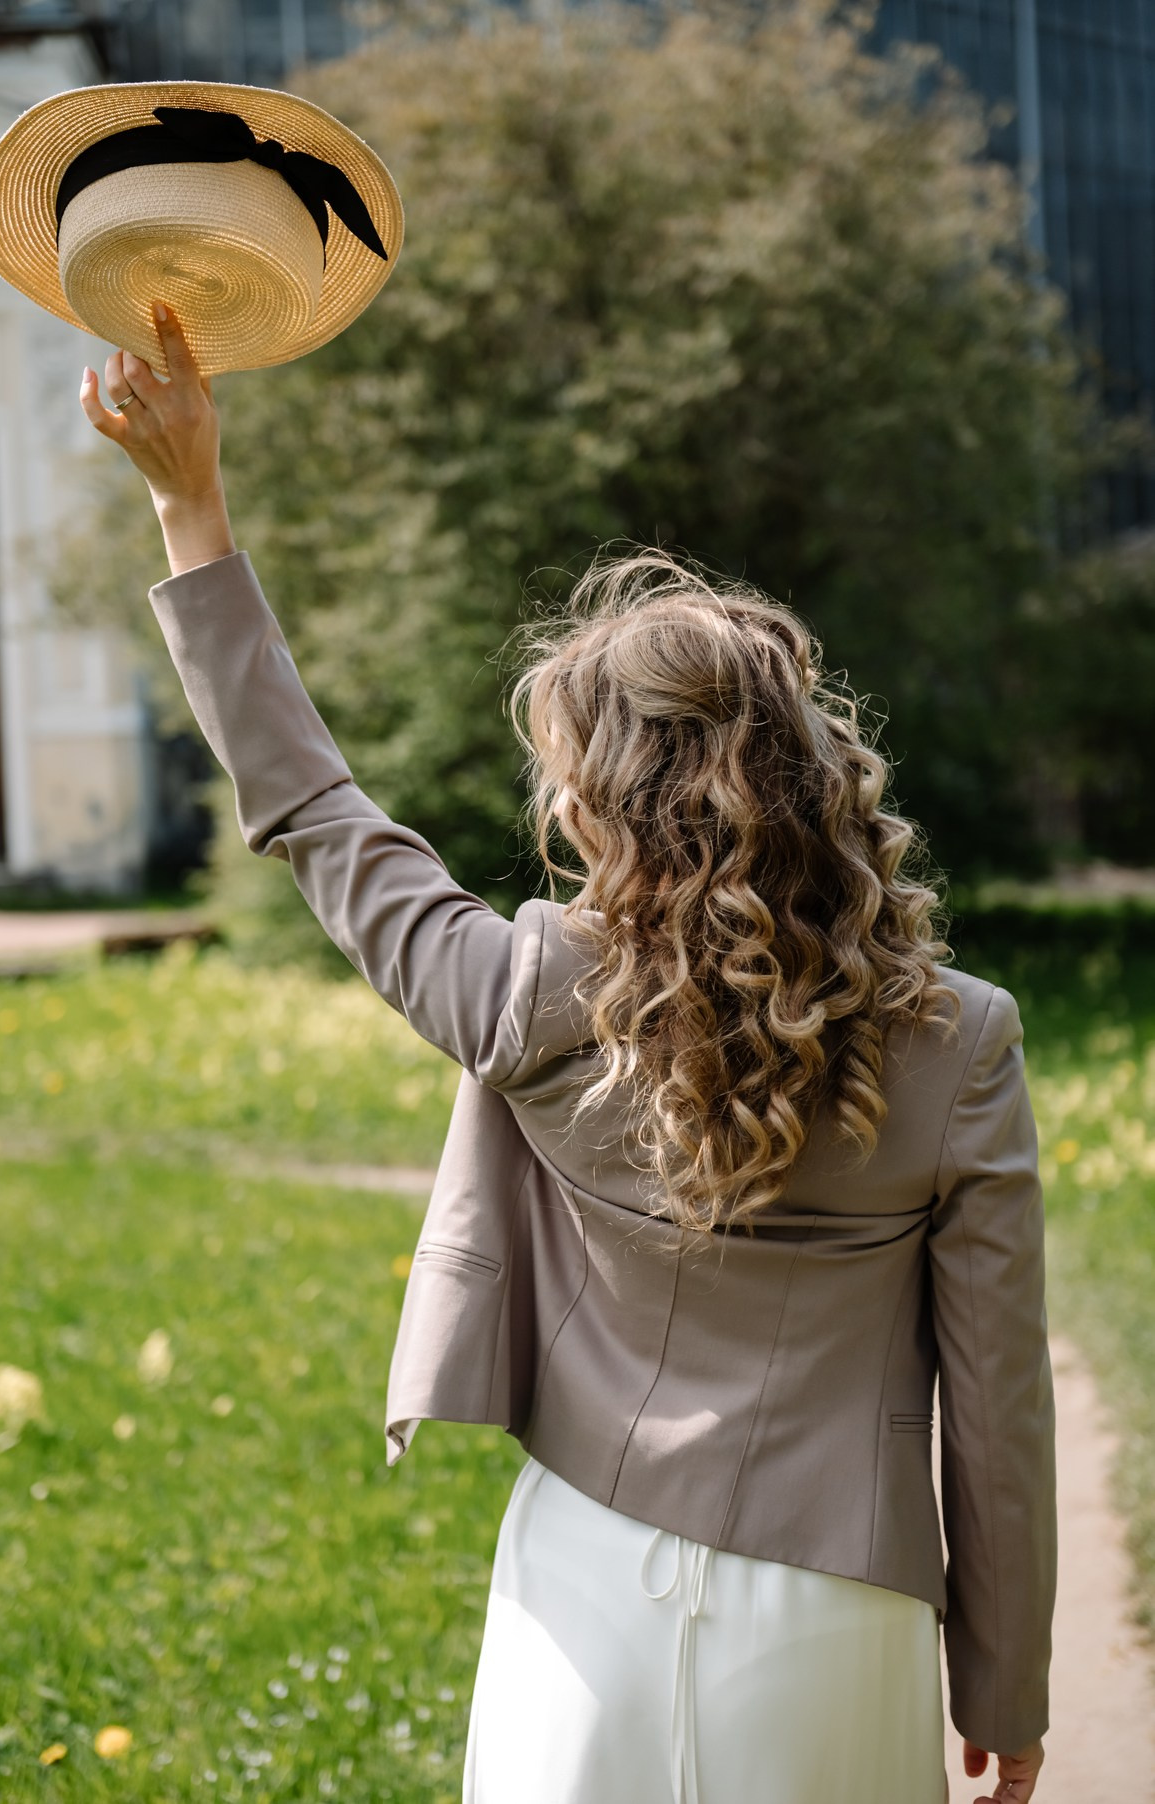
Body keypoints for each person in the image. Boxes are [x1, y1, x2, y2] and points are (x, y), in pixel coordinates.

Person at [80, 301, 1054, 1804]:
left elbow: (313, 810)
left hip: (582, 1580)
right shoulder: (962, 1043)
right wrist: (1006, 1679)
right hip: (840, 1615)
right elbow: (998, 1410)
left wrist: (189, 504)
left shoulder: (532, 990)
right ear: (810, 770)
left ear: (603, 799)